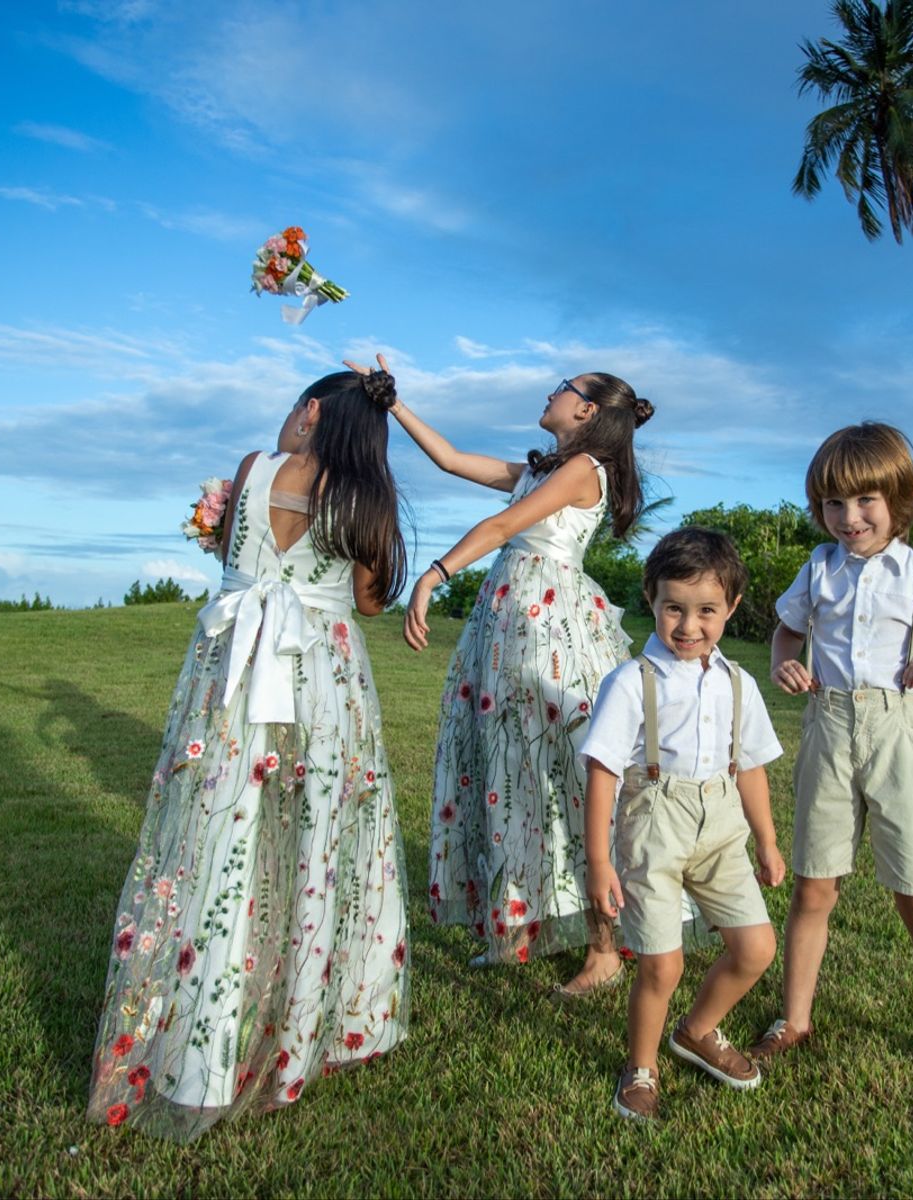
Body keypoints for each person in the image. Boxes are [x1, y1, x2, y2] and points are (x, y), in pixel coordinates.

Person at [87, 368, 411, 1141]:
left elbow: (239, 550)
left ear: (309, 410)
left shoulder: (251, 470)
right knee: (317, 842)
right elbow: (369, 600)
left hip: (230, 666)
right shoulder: (366, 496)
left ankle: (200, 1037)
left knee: (218, 832)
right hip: (321, 675)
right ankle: (300, 1036)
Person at [349, 355, 650, 992]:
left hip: (547, 626)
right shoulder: (543, 469)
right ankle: (518, 929)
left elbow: (506, 525)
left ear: (587, 410)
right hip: (509, 617)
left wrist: (434, 573)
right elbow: (452, 460)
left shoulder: (583, 468)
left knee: (563, 771)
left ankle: (603, 949)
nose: (550, 392)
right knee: (507, 767)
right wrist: (393, 402)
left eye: (563, 388)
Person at [754, 421, 913, 1107]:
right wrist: (785, 661)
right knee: (814, 886)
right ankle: (795, 1020)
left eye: (866, 501)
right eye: (835, 504)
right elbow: (787, 628)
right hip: (829, 727)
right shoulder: (819, 568)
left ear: (899, 500)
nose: (850, 518)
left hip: (902, 731)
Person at [581, 527, 786, 1121]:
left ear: (732, 608)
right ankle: (640, 1067)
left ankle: (698, 1031)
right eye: (675, 607)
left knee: (755, 947)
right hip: (654, 828)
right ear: (651, 598)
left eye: (706, 611)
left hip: (722, 830)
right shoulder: (630, 682)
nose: (689, 626)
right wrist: (599, 863)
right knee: (661, 964)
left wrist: (767, 842)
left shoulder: (737, 684)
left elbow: (748, 767)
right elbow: (602, 773)